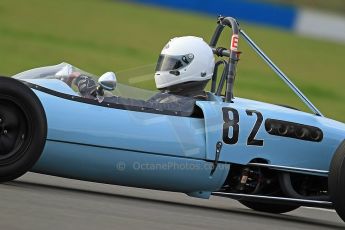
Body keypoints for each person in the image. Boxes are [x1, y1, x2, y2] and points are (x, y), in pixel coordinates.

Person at [148, 36, 215, 103]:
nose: (165, 68)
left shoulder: (193, 105)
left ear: (194, 66)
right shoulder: (167, 95)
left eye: (171, 64)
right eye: (165, 63)